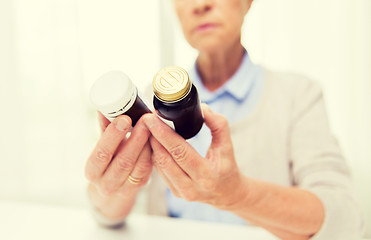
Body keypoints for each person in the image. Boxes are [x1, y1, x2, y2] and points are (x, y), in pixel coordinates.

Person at [85, 0, 364, 239]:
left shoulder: (297, 95)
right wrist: (116, 186)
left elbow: (347, 221)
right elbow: (106, 217)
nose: (200, 5)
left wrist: (238, 194)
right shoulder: (150, 103)